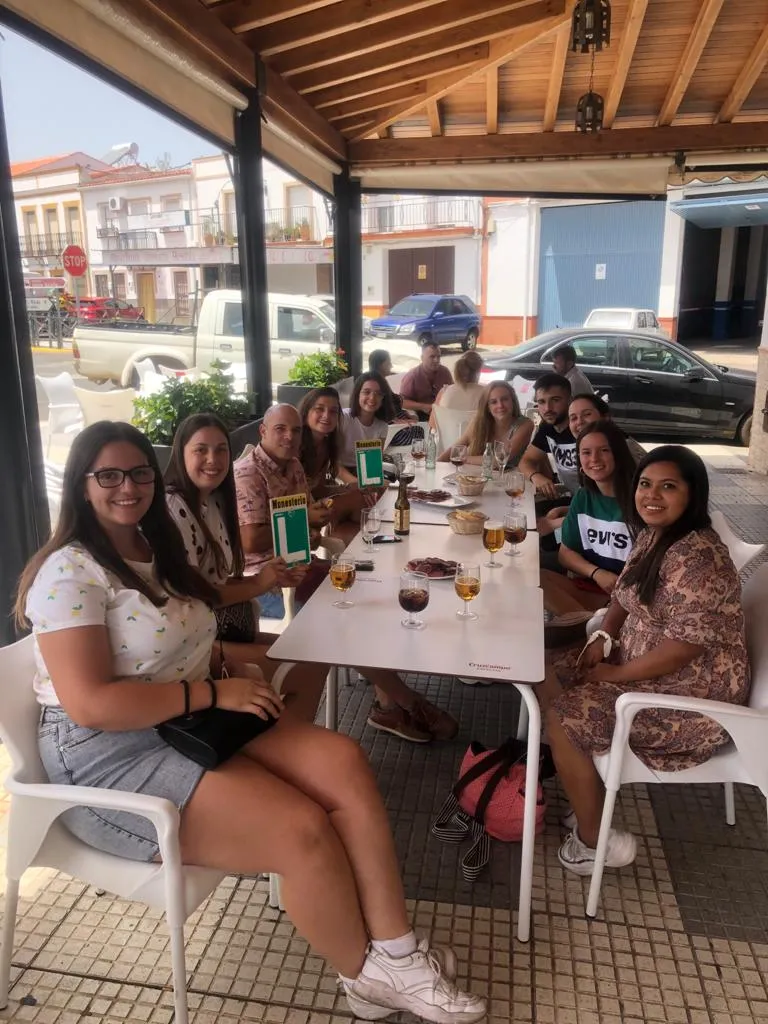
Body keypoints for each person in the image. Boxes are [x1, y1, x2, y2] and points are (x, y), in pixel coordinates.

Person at [19, 421, 485, 1024]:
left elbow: (184, 626)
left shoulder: (153, 547)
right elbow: (91, 705)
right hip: (106, 758)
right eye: (108, 475)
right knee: (301, 827)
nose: (127, 487)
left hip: (183, 718)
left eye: (138, 473)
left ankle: (397, 952)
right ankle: (366, 978)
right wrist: (215, 689)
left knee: (342, 759)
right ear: (81, 486)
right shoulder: (69, 573)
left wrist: (218, 665)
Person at [545, 446, 749, 876]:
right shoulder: (657, 534)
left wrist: (617, 674)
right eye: (645, 484)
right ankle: (585, 790)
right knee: (545, 669)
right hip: (647, 671)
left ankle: (593, 842)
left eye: (667, 486)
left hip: (689, 701)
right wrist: (603, 635)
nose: (651, 495)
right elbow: (625, 592)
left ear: (692, 495)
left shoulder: (699, 560)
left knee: (564, 718)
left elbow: (683, 649)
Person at [235, 403, 458, 743]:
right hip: (267, 582)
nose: (290, 436)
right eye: (280, 429)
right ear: (262, 431)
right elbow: (251, 540)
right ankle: (406, 702)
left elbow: (304, 517)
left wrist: (314, 526)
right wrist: (307, 522)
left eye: (295, 430)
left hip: (303, 563)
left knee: (373, 593)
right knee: (352, 617)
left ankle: (388, 703)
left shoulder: (293, 465)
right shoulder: (248, 473)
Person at [541, 420, 636, 619]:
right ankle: (591, 626)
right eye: (586, 452)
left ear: (618, 454)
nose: (594, 459)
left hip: (627, 599)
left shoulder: (640, 500)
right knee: (534, 579)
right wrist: (597, 573)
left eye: (604, 450)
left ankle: (589, 626)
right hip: (591, 588)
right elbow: (565, 554)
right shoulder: (584, 496)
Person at [298, 386, 379, 545]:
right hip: (299, 514)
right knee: (359, 503)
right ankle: (344, 544)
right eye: (319, 409)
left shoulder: (325, 444)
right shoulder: (295, 445)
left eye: (333, 411)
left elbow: (319, 489)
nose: (326, 416)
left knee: (362, 497)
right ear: (306, 412)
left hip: (315, 506)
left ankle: (341, 543)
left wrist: (347, 488)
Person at [438, 381, 533, 468]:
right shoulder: (479, 422)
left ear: (513, 401)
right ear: (487, 407)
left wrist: (463, 458)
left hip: (508, 479)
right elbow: (455, 450)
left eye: (505, 399)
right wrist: (436, 465)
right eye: (493, 402)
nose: (500, 405)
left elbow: (499, 459)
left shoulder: (525, 424)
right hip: (475, 477)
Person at [518, 373, 578, 497]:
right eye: (541, 402)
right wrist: (536, 476)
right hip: (571, 496)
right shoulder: (547, 427)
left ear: (570, 400)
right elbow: (526, 461)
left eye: (555, 400)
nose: (547, 408)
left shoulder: (581, 429)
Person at [568, 393, 646, 463]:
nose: (579, 422)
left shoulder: (626, 448)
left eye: (587, 414)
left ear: (605, 417)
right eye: (573, 418)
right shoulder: (580, 451)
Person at [340, 372, 392, 470]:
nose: (372, 398)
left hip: (364, 472)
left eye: (378, 393)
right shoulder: (343, 418)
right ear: (357, 394)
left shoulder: (382, 426)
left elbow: (372, 464)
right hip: (338, 473)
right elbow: (333, 463)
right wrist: (354, 480)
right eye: (367, 392)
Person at [399, 341, 452, 420]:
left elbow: (453, 392)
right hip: (421, 417)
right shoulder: (412, 376)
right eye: (432, 357)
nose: (436, 360)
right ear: (422, 358)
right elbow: (402, 402)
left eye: (438, 356)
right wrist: (424, 406)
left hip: (444, 414)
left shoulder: (445, 372)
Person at [368, 350, 413, 421]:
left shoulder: (381, 381)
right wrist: (397, 421)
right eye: (389, 363)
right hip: (393, 425)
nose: (391, 366)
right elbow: (381, 413)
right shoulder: (377, 384)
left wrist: (404, 414)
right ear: (381, 365)